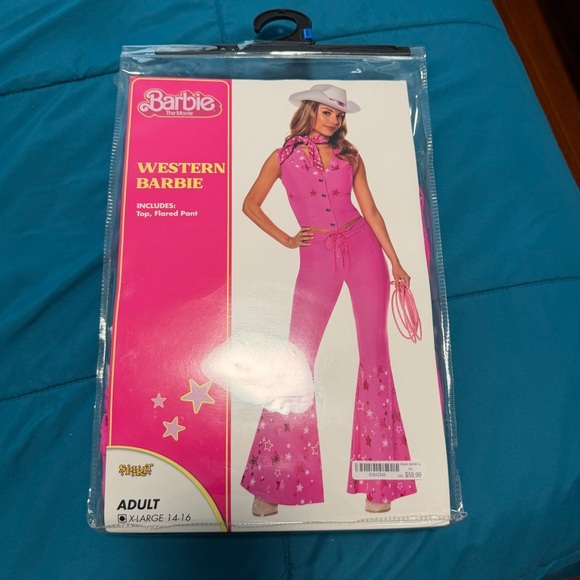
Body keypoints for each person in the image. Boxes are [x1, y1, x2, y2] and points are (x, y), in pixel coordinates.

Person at [240, 84, 417, 517]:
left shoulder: (350, 156)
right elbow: (250, 204)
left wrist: (395, 260)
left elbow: (370, 211)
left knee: (375, 355)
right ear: (310, 111)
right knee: (297, 359)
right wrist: (286, 239)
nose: (334, 120)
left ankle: (381, 484)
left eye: (339, 115)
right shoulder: (281, 157)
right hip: (317, 254)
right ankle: (272, 485)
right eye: (327, 112)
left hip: (363, 248)